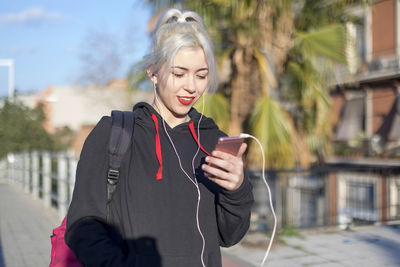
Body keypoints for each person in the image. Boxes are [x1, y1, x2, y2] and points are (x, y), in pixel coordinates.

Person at [65, 8, 254, 267]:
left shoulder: (213, 141)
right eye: (179, 73)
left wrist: (237, 189)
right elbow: (82, 226)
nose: (192, 86)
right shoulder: (114, 134)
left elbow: (229, 235)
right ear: (153, 72)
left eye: (201, 75)